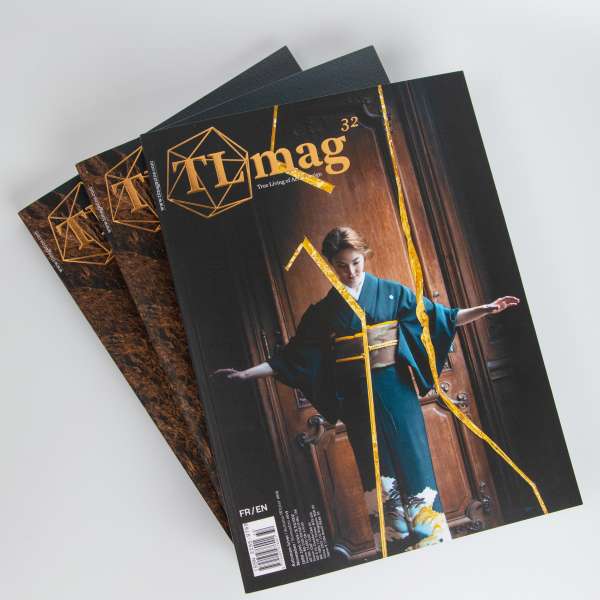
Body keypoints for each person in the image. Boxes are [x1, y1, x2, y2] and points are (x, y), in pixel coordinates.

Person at [214, 226, 520, 555]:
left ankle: (432, 544)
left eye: (356, 262)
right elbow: (292, 359)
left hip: (398, 394)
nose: (351, 272)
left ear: (364, 256)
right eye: (341, 265)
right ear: (330, 264)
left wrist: (485, 309)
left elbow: (440, 318)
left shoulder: (392, 293)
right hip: (359, 402)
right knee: (378, 473)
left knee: (415, 462)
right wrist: (246, 374)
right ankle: (395, 548)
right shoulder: (324, 311)